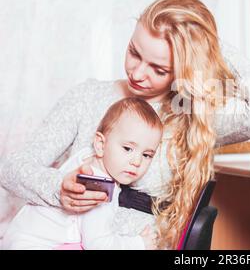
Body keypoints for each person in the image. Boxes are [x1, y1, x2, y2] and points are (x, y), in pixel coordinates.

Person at [0, 0, 250, 249]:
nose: (138, 73)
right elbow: (11, 168)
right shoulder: (88, 96)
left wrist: (207, 44)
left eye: (158, 68)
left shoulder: (191, 113)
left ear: (184, 68)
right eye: (134, 53)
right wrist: (59, 188)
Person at [2, 97, 163, 249]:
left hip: (20, 235)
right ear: (100, 144)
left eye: (146, 155)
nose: (137, 162)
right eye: (128, 148)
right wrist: (138, 244)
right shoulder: (98, 186)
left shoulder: (85, 157)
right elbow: (97, 245)